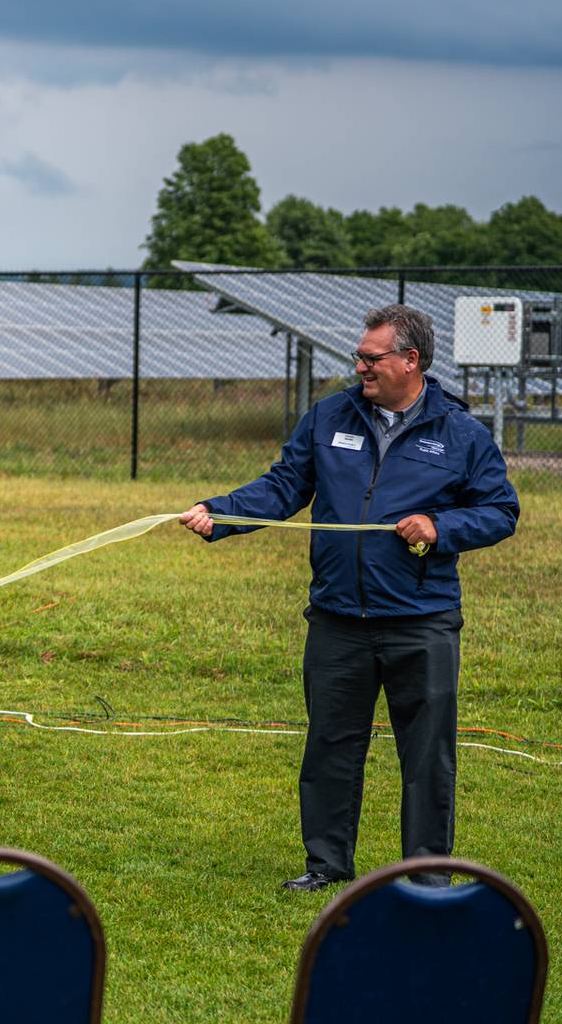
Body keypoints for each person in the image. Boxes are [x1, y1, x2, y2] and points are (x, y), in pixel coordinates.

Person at [178, 304, 517, 892]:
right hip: (338, 619)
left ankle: (427, 874)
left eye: (371, 357)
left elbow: (500, 510)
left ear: (410, 361)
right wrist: (222, 513)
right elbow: (286, 485)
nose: (359, 366)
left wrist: (441, 528)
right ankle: (326, 866)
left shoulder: (460, 433)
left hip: (422, 621)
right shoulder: (330, 415)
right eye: (358, 356)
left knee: (426, 755)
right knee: (331, 746)